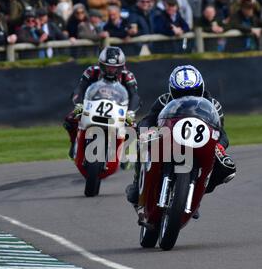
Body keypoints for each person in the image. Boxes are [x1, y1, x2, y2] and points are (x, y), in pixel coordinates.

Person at [126, 65, 236, 212]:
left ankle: (197, 192)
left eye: (193, 92)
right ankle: (137, 182)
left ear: (201, 88)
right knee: (143, 145)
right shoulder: (164, 100)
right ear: (172, 90)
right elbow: (147, 120)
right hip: (169, 141)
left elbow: (221, 133)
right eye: (181, 93)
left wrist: (220, 146)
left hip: (200, 145)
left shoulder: (213, 105)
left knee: (227, 168)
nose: (188, 97)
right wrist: (145, 132)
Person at [63, 46, 141, 158]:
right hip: (92, 106)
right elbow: (80, 89)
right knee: (70, 119)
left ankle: (125, 150)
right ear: (101, 65)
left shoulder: (127, 76)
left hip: (117, 109)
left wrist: (131, 112)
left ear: (122, 66)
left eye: (115, 68)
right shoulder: (91, 71)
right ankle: (74, 142)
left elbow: (135, 95)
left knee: (133, 128)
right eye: (108, 67)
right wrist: (79, 104)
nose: (111, 70)